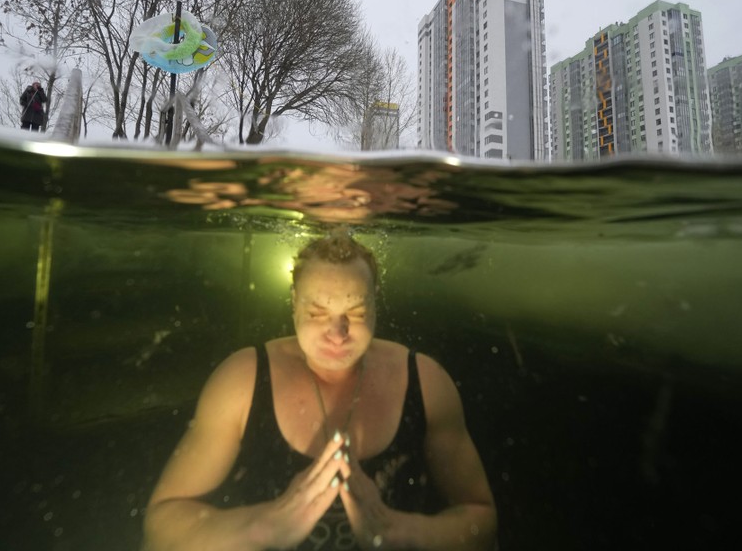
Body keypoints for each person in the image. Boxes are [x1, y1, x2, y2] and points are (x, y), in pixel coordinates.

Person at [143, 232, 497, 550]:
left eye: (355, 313)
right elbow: (160, 528)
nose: (337, 333)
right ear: (293, 302)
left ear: (375, 303)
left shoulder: (426, 381)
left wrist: (402, 532)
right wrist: (260, 528)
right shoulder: (242, 380)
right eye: (317, 312)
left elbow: (482, 521)